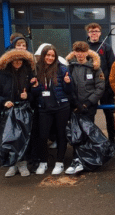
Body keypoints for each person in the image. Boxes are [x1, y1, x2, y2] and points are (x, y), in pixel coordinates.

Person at [65, 41, 105, 174]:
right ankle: (76, 159)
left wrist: (88, 103)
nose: (80, 54)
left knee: (88, 134)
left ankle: (87, 160)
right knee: (76, 134)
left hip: (89, 107)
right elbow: (67, 88)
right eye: (78, 51)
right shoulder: (70, 67)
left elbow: (100, 87)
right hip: (74, 107)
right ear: (74, 52)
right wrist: (75, 104)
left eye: (83, 51)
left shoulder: (95, 67)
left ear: (87, 52)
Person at [31, 45, 72, 175]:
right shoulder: (37, 70)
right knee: (43, 136)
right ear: (43, 56)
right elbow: (35, 93)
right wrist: (35, 87)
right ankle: (43, 162)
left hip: (61, 107)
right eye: (47, 55)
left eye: (52, 56)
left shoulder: (62, 69)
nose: (50, 58)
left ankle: (59, 162)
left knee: (61, 135)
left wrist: (67, 82)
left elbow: (69, 91)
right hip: (44, 108)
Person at [0, 49, 36, 177]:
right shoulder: (2, 74)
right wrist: (4, 102)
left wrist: (28, 96)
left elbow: (36, 93)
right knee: (10, 137)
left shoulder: (29, 73)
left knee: (24, 137)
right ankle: (12, 164)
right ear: (10, 61)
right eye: (15, 60)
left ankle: (23, 163)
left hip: (24, 109)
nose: (17, 62)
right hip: (8, 111)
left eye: (20, 60)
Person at [85, 23, 115, 147]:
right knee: (89, 115)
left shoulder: (106, 47)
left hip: (105, 87)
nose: (94, 34)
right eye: (91, 31)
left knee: (108, 115)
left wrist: (109, 85)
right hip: (89, 88)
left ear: (100, 33)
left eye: (96, 31)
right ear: (88, 33)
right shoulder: (84, 48)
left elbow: (112, 66)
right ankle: (90, 140)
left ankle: (112, 140)